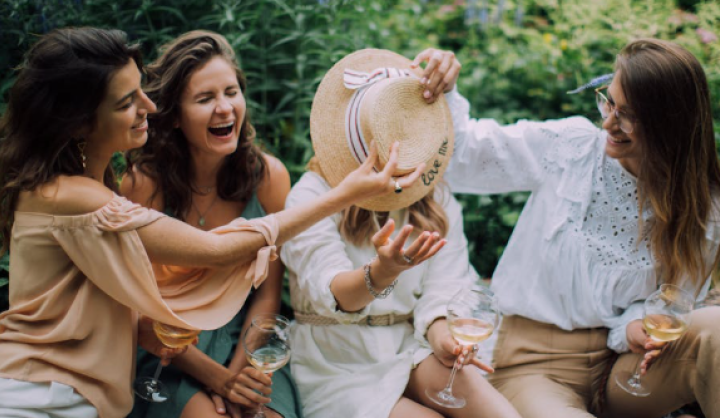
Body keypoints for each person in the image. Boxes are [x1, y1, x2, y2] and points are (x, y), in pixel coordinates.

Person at [0, 28, 419, 418]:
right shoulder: (78, 196)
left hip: (85, 391)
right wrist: (343, 194)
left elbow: (134, 303)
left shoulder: (91, 185)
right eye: (127, 102)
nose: (148, 106)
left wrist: (239, 369)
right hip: (41, 393)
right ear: (78, 121)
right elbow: (215, 251)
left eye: (232, 92)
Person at [412, 39, 720, 418]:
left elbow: (674, 303)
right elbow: (462, 157)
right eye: (608, 102)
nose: (608, 123)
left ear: (670, 124)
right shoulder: (570, 149)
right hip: (531, 367)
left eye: (628, 116)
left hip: (624, 371)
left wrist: (634, 326)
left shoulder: (705, 209)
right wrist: (445, 87)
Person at [281, 49, 522, 418]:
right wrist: (382, 272)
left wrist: (445, 339)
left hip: (410, 346)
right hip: (337, 360)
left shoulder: (435, 198)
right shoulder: (312, 197)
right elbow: (333, 293)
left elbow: (444, 289)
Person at [122, 30, 294, 418]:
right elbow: (137, 308)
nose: (225, 108)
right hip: (169, 351)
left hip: (248, 341)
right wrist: (219, 380)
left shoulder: (269, 177)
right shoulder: (143, 184)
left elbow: (268, 296)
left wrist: (240, 375)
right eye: (205, 99)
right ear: (175, 116)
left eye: (231, 92)